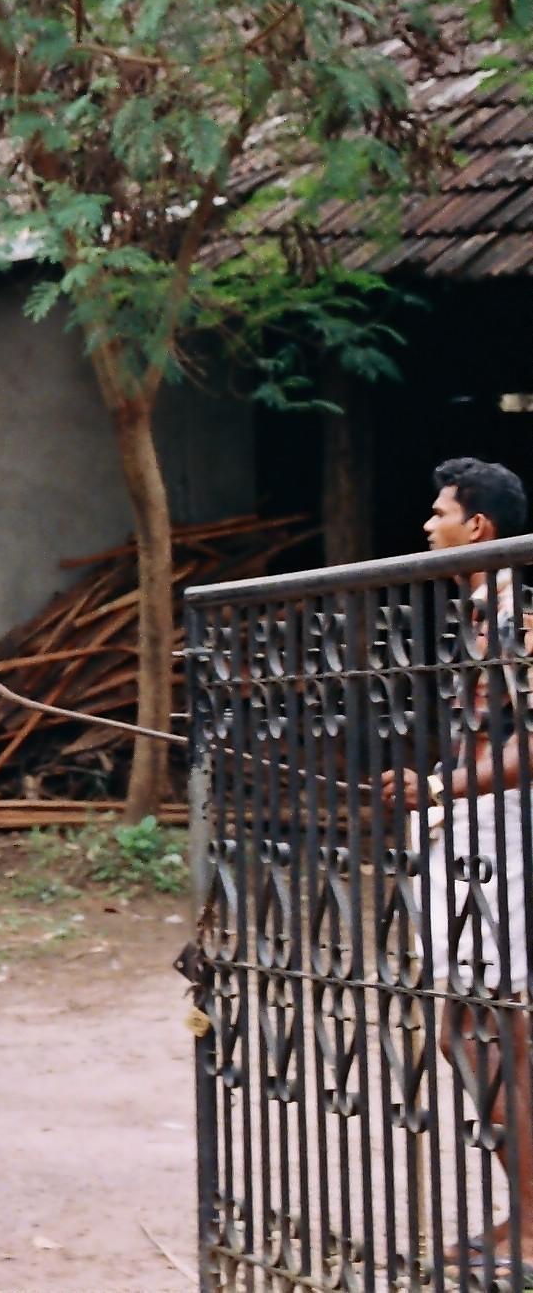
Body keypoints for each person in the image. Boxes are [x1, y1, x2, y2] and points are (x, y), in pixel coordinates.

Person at [378, 456, 529, 1277]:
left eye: (439, 513)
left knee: (485, 1023)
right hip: (477, 821)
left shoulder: (515, 612)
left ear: (477, 527)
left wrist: (440, 783)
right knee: (476, 1025)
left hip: (500, 828)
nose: (426, 527)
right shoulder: (480, 613)